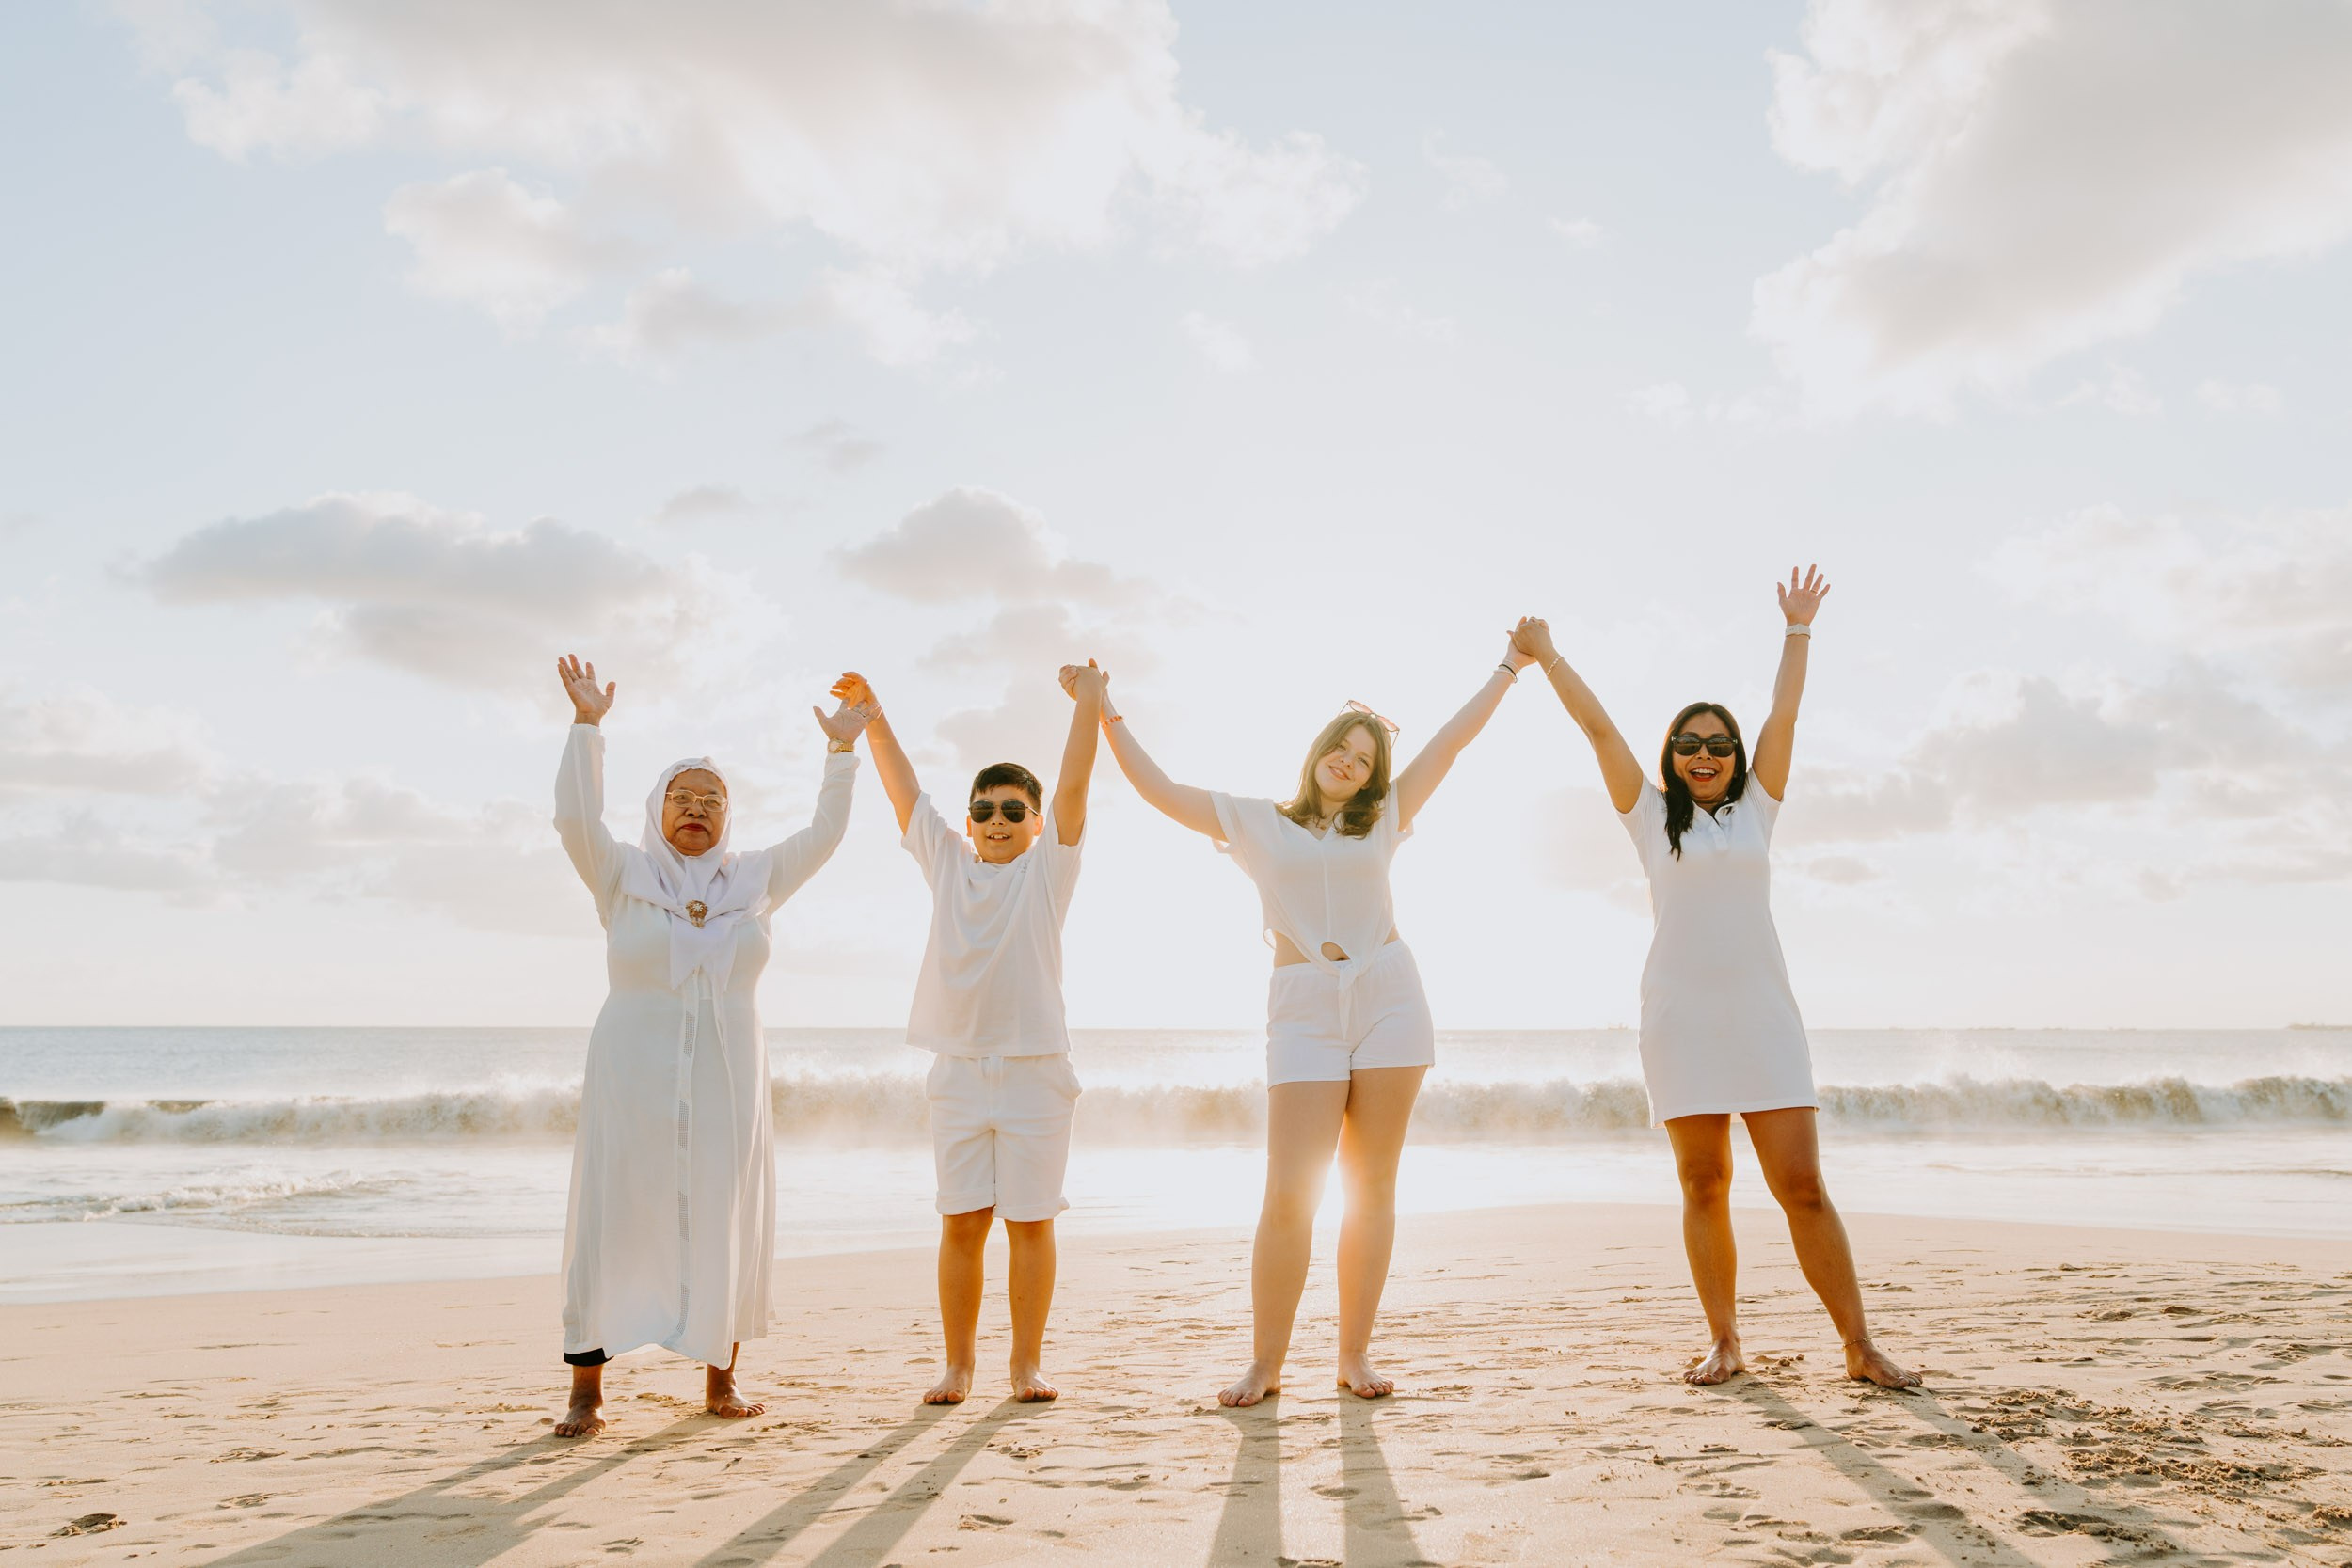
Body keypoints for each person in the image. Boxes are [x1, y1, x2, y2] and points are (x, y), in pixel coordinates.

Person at [1511, 570, 1919, 1389]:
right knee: (1705, 1183)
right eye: (1690, 743)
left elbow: (1784, 715)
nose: (1705, 754)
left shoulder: (1758, 808)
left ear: (1736, 758)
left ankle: (1859, 1345)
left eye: (1719, 743)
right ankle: (1725, 1341)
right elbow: (1598, 728)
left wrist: (1797, 629)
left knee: (1802, 1184)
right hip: (1681, 1022)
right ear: (1671, 756)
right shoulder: (1648, 816)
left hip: (1764, 1019)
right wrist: (1547, 656)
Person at [1097, 643, 1534, 1405]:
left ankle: (1353, 1353)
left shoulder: (1385, 817)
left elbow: (1451, 743)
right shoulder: (1256, 820)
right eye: (1342, 747)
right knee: (1290, 1192)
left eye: (1364, 760)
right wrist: (1105, 709)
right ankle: (1266, 1362)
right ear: (1318, 751)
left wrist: (1510, 665)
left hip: (1390, 996)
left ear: (1372, 778)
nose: (1349, 762)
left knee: (1371, 1184)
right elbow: (1158, 789)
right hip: (1302, 1007)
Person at [548, 653, 870, 1437]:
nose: (697, 809)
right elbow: (574, 820)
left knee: (726, 1213)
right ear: (657, 809)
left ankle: (721, 1378)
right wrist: (587, 728)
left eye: (712, 800)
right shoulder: (621, 874)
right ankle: (587, 1391)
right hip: (632, 1075)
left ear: (729, 816)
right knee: (613, 1211)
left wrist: (841, 751)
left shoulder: (756, 880)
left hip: (729, 1077)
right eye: (683, 798)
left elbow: (825, 834)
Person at [832, 661, 1104, 1405]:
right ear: (969, 819)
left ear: (1037, 823)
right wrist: (873, 715)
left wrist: (1089, 701)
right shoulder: (949, 862)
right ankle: (958, 1366)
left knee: (1030, 1224)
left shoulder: (1046, 873)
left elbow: (1075, 785)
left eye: (1014, 809)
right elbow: (904, 792)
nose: (996, 820)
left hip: (1036, 1074)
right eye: (984, 808)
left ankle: (1026, 1366)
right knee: (960, 1222)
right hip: (957, 1073)